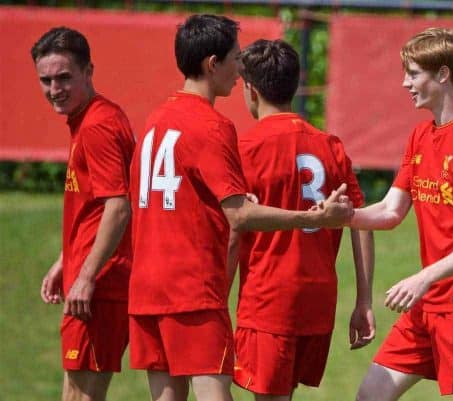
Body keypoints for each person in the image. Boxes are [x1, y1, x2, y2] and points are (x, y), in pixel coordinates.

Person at [127, 15, 353, 401]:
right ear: (212, 64)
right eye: (234, 59)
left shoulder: (154, 120)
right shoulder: (213, 126)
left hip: (146, 286)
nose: (239, 70)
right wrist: (314, 217)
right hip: (191, 290)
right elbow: (240, 216)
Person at [349, 28, 453, 401]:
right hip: (429, 304)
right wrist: (341, 216)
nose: (404, 83)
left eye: (413, 73)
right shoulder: (420, 136)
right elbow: (391, 211)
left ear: (442, 74)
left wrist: (423, 278)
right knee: (370, 396)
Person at [228, 39, 375, 401]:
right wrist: (364, 301)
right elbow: (362, 221)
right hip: (318, 300)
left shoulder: (244, 149)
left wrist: (217, 302)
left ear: (251, 90)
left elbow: (232, 226)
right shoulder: (330, 145)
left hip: (268, 300)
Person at [32, 27, 135, 401]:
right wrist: (67, 259)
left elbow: (118, 207)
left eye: (64, 77)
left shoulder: (98, 126)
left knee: (79, 396)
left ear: (88, 71)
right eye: (45, 80)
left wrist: (86, 276)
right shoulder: (92, 118)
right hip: (97, 280)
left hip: (100, 288)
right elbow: (95, 205)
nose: (54, 89)